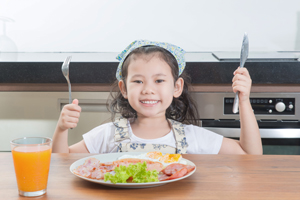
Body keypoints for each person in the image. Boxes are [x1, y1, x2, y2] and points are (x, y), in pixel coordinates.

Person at [52, 40, 262, 155]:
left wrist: (244, 101)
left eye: (159, 81)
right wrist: (61, 129)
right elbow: (60, 160)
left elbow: (250, 155)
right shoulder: (109, 135)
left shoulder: (192, 137)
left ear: (177, 87)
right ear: (123, 88)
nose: (148, 90)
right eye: (138, 81)